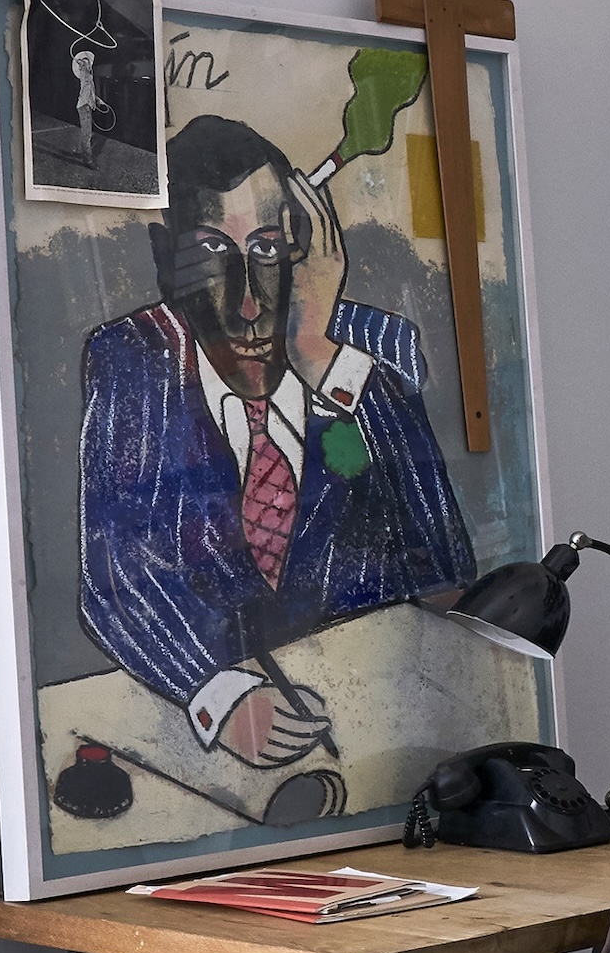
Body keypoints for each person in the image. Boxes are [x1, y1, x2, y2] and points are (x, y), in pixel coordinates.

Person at [78, 113, 476, 769]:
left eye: (268, 249)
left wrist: (321, 357)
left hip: (387, 750)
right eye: (211, 256)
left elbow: (442, 570)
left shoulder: (375, 354)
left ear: (305, 246)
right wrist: (218, 692)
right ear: (163, 259)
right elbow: (119, 574)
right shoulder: (134, 360)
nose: (247, 305)